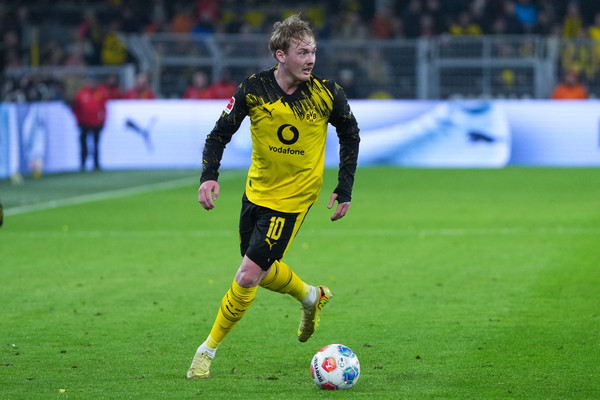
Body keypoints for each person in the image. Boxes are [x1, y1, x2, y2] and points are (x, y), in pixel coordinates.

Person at [187, 14, 360, 380]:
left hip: (293, 200)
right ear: (281, 55)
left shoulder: (327, 93)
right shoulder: (254, 89)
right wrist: (209, 176)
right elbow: (218, 135)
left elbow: (350, 133)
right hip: (256, 193)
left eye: (313, 51)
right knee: (262, 272)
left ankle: (206, 351)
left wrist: (344, 187)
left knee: (248, 275)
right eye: (302, 52)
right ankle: (312, 296)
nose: (311, 59)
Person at [72, 73, 109, 171]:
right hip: (84, 123)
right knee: (83, 145)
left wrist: (103, 121)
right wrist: (78, 121)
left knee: (96, 145)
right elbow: (76, 109)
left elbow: (104, 109)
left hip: (96, 123)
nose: (92, 83)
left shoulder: (99, 93)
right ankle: (83, 164)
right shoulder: (81, 93)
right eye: (90, 81)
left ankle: (96, 164)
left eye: (93, 81)